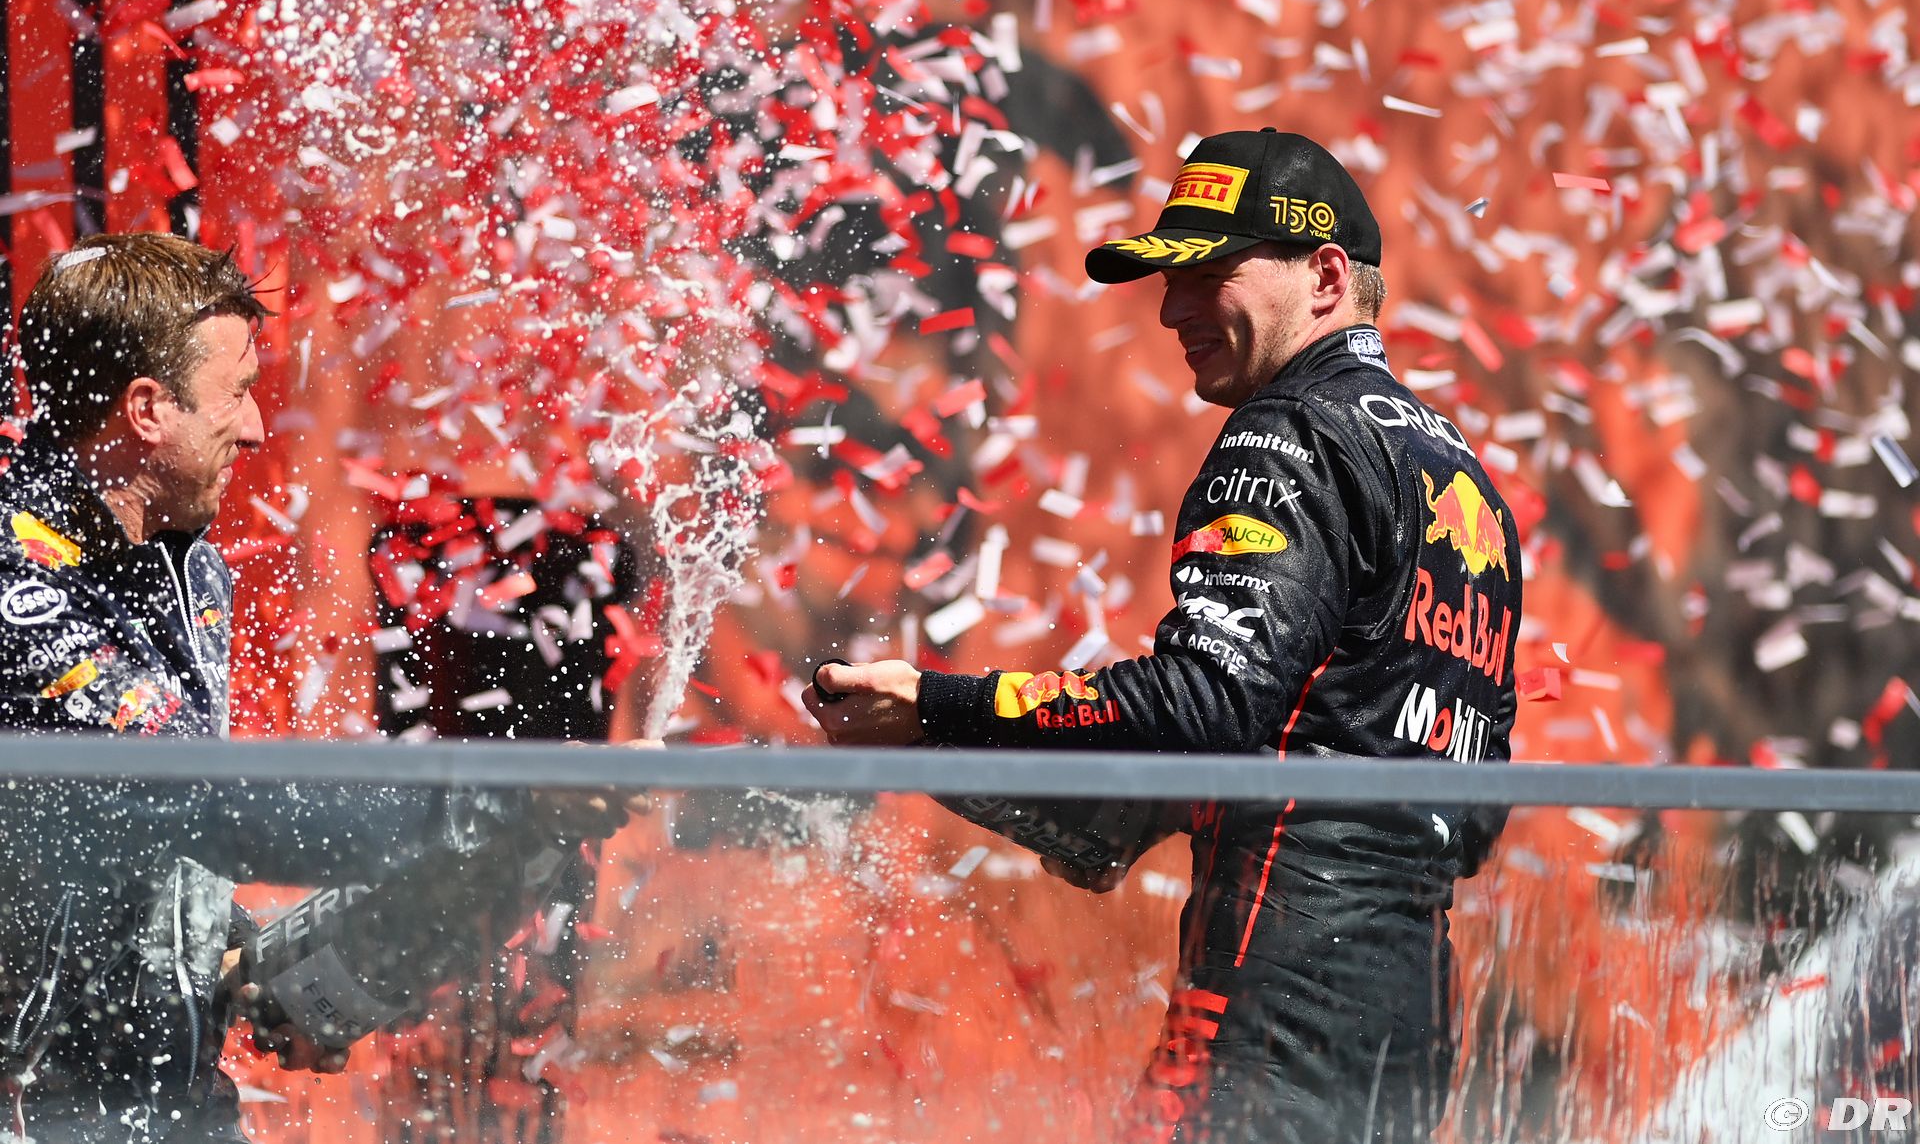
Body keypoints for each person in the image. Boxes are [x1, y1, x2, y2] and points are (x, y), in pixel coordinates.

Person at [806, 130, 1522, 1143]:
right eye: (1169, 279)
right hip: (1412, 1015)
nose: (1172, 310)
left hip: (1272, 992)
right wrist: (984, 765)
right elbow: (1466, 806)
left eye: (1209, 275)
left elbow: (1207, 704)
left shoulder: (1289, 432)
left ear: (1326, 278)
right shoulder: (1462, 479)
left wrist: (936, 704)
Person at [0, 233, 630, 1143]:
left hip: (178, 1108)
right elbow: (190, 799)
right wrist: (491, 797)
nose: (258, 427)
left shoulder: (191, 569)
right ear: (146, 409)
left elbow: (133, 846)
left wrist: (277, 969)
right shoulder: (21, 587)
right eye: (237, 393)